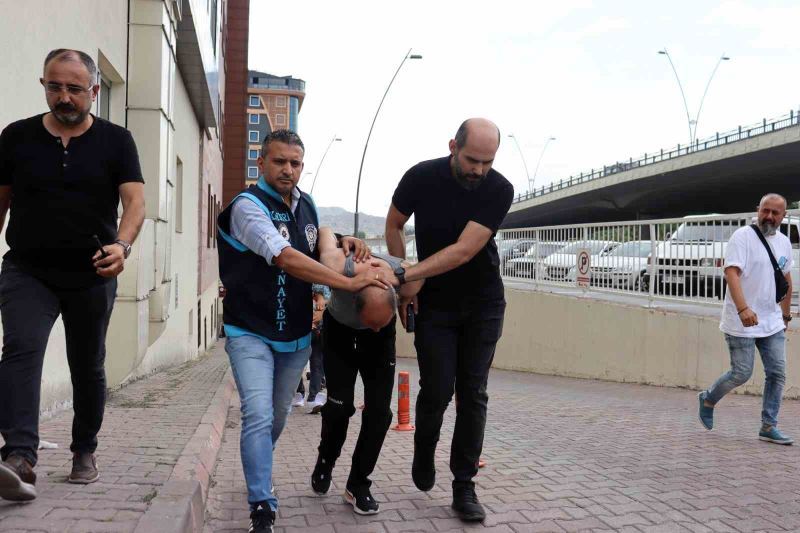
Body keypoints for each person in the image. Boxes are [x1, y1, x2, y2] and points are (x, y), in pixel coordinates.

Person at [216, 129, 389, 533]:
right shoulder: (246, 207)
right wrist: (347, 282)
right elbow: (285, 255)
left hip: (295, 338)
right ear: (261, 163)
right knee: (258, 414)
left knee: (276, 418)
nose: (288, 170)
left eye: (295, 163)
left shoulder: (306, 205)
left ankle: (259, 468)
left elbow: (314, 242)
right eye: (279, 161)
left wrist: (343, 240)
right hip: (249, 332)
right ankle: (262, 504)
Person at [0, 49, 145, 501]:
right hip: (28, 270)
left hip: (92, 273)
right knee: (21, 351)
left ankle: (84, 449)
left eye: (74, 89)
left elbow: (135, 203)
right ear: (43, 84)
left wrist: (122, 246)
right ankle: (19, 457)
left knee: (88, 365)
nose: (64, 97)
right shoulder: (16, 137)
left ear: (94, 91)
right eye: (55, 86)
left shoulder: (117, 141)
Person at [385, 118, 513, 522]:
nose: (479, 170)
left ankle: (464, 485)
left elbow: (463, 251)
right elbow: (394, 223)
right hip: (435, 307)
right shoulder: (420, 177)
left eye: (488, 162)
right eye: (473, 160)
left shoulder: (499, 189)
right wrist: (406, 280)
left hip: (483, 304)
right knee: (437, 389)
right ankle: (424, 448)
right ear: (453, 146)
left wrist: (409, 275)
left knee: (473, 393)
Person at [309, 227, 423, 515]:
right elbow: (323, 231)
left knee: (380, 414)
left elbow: (424, 273)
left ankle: (358, 484)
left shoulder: (406, 278)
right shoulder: (337, 264)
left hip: (380, 345)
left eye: (379, 322)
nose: (372, 327)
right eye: (370, 322)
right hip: (340, 332)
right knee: (339, 407)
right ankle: (325, 461)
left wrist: (401, 307)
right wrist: (342, 238)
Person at [698, 193, 794, 444]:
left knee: (777, 373)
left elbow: (786, 279)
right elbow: (731, 273)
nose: (769, 216)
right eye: (765, 210)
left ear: (784, 216)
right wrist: (743, 309)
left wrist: (785, 315)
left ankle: (768, 425)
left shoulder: (784, 242)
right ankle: (708, 398)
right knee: (741, 373)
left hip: (771, 321)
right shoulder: (743, 237)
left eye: (775, 213)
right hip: (741, 319)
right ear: (758, 210)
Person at [293, 284, 329, 411]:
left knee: (317, 364)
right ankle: (299, 394)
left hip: (318, 331)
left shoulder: (326, 286)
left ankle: (313, 398)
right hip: (300, 330)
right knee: (296, 364)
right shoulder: (297, 284)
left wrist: (322, 304)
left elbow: (333, 300)